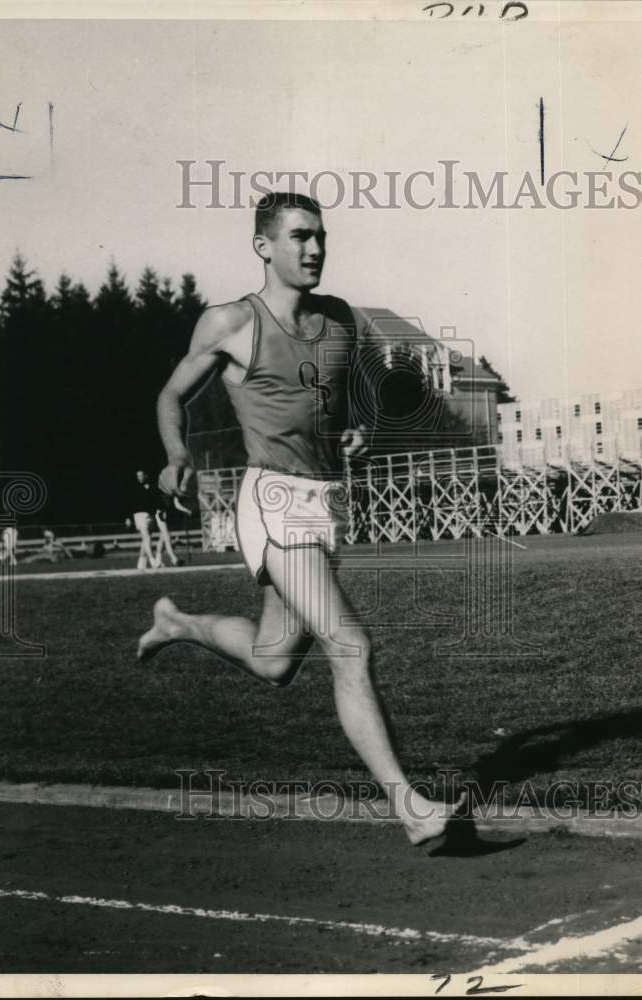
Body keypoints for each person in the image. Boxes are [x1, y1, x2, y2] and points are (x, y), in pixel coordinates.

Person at [138, 191, 464, 849]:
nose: (314, 248)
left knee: (274, 660)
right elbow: (171, 394)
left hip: (322, 503)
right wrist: (178, 455)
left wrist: (358, 434)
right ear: (263, 246)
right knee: (351, 647)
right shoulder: (230, 323)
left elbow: (346, 409)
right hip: (271, 501)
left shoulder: (341, 321)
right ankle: (410, 808)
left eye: (320, 236)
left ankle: (179, 623)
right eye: (298, 237)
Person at [127, 470, 160, 570]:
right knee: (146, 537)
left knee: (145, 540)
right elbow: (129, 503)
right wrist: (128, 517)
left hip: (149, 515)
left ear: (145, 475)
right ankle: (152, 560)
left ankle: (141, 562)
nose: (139, 477)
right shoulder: (134, 488)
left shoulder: (151, 487)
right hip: (139, 515)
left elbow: (155, 500)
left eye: (141, 475)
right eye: (138, 476)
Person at [154, 491, 193, 568]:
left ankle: (157, 561)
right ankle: (174, 559)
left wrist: (186, 510)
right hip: (160, 515)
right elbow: (157, 504)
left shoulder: (172, 493)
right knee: (167, 538)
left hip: (165, 516)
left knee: (162, 540)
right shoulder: (161, 491)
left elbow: (177, 505)